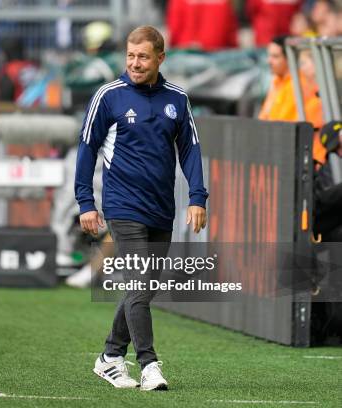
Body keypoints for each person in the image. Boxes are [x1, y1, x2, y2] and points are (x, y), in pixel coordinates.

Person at [75, 26, 208, 390]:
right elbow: (87, 148)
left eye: (143, 56)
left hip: (161, 209)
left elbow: (191, 149)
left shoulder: (177, 99)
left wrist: (198, 197)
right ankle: (148, 363)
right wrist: (85, 201)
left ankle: (109, 356)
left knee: (143, 289)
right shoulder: (108, 96)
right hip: (122, 206)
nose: (135, 63)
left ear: (160, 58)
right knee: (138, 283)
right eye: (131, 56)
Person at [166, 0, 238, 51]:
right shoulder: (225, 1)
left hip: (188, 51)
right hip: (217, 52)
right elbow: (230, 31)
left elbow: (175, 28)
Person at [258, 36, 298, 121]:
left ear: (289, 59)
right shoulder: (276, 81)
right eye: (269, 56)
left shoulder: (296, 85)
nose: (269, 61)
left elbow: (282, 121)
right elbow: (263, 116)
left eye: (275, 56)